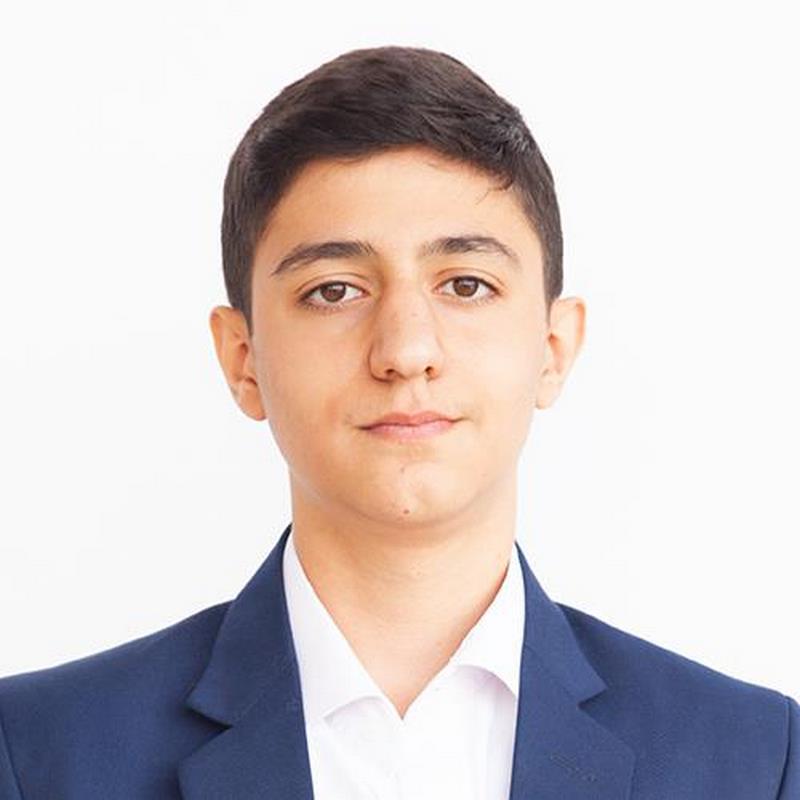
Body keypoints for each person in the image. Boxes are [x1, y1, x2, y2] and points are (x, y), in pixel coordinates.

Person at [0, 45, 796, 800]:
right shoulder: (39, 754)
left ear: (554, 347)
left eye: (466, 284)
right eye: (334, 291)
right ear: (243, 359)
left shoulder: (753, 761)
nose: (407, 351)